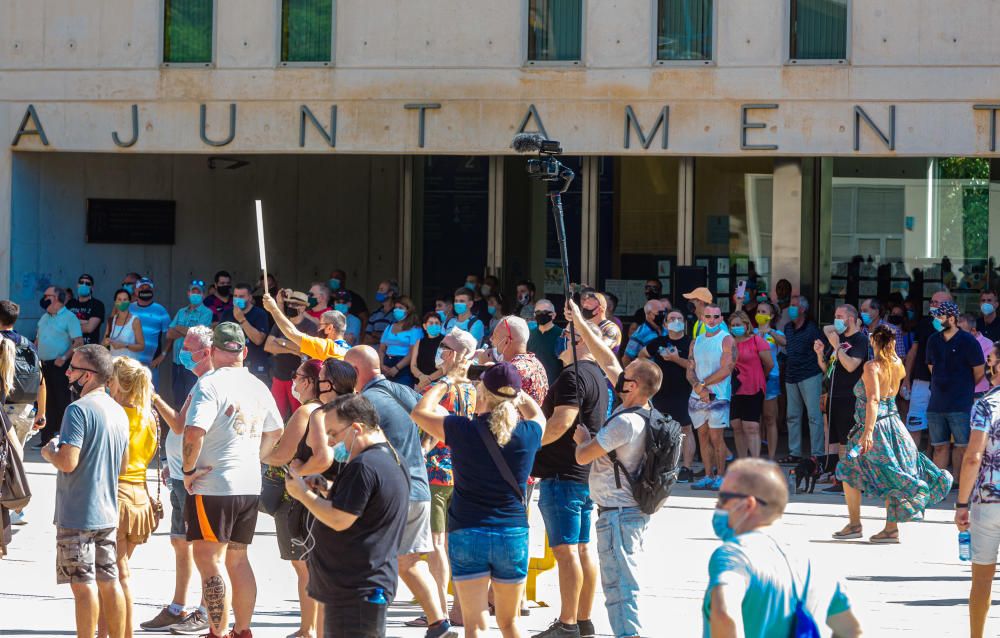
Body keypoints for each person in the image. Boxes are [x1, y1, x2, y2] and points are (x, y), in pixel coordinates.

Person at [412, 363, 547, 638]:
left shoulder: (462, 429)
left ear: (481, 393)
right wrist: (516, 393)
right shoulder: (528, 434)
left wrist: (448, 381)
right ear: (516, 396)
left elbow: (419, 412)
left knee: (474, 625)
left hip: (467, 530)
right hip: (512, 532)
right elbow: (538, 415)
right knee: (510, 624)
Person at [344, 345, 459, 638]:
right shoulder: (400, 390)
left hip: (390, 493)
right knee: (407, 563)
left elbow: (356, 447)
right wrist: (423, 448)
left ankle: (369, 628)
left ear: (355, 371)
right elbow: (441, 414)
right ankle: (439, 624)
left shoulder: (364, 402)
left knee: (373, 560)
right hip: (419, 488)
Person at [566, 299, 661, 638]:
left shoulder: (625, 424)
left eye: (627, 375)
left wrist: (583, 438)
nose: (620, 375)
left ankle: (629, 634)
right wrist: (580, 321)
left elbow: (583, 456)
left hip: (619, 513)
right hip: (627, 510)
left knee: (620, 586)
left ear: (633, 386)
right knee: (620, 581)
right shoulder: (646, 411)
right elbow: (606, 358)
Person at [181, 322, 284, 638]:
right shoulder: (257, 384)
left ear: (212, 351)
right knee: (238, 558)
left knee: (209, 560)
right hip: (248, 484)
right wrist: (257, 457)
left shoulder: (210, 383)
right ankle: (242, 630)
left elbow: (194, 431)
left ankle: (218, 631)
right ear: (245, 350)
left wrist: (187, 471)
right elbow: (276, 429)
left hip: (214, 485)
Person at [284, 394, 412, 638]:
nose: (331, 442)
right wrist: (327, 489)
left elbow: (340, 519)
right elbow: (365, 505)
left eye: (334, 434)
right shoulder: (389, 458)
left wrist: (301, 494)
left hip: (357, 588)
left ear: (356, 428)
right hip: (361, 584)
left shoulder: (364, 465)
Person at [704, 459, 862, 637]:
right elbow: (851, 629)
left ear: (748, 505)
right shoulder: (817, 560)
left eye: (723, 499)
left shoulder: (734, 556)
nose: (718, 507)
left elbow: (723, 613)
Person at [833, 324, 952, 543]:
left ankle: (856, 524)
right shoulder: (898, 364)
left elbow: (874, 400)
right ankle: (888, 528)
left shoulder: (872, 367)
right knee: (892, 473)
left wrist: (867, 432)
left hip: (873, 427)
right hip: (894, 424)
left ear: (872, 341)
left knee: (847, 468)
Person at [40, 344, 129, 638]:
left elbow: (67, 461)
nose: (67, 373)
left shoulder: (77, 410)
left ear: (88, 376)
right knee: (109, 580)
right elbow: (124, 464)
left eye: (73, 368)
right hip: (107, 512)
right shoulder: (118, 411)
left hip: (78, 513)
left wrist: (50, 451)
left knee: (82, 585)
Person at [532, 319, 609, 638]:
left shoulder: (573, 374)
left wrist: (528, 445)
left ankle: (568, 623)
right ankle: (583, 619)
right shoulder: (597, 376)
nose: (560, 340)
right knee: (580, 548)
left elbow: (562, 421)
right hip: (582, 473)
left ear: (579, 341)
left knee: (566, 552)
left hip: (563, 474)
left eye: (565, 335)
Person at [140, 327, 213, 634]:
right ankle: (177, 607)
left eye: (189, 347)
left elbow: (182, 427)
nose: (183, 352)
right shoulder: (199, 383)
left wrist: (153, 395)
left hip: (194, 479)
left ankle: (206, 611)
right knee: (180, 541)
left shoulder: (210, 385)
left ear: (207, 352)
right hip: (181, 475)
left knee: (203, 549)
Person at [410, 328, 478, 629]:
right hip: (462, 471)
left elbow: (419, 421)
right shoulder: (473, 389)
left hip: (436, 472)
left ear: (456, 354)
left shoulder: (441, 388)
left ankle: (437, 609)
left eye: (445, 346)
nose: (441, 351)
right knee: (454, 544)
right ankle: (459, 607)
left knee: (436, 544)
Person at [260, 359, 325, 638]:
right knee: (315, 566)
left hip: (298, 497)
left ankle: (308, 628)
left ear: (308, 382)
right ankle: (315, 627)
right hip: (323, 494)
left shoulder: (306, 412)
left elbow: (282, 455)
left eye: (296, 376)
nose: (293, 382)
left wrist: (259, 454)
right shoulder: (334, 409)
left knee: (304, 567)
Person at [105, 357, 160, 638]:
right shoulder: (149, 415)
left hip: (117, 495)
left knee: (116, 573)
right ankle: (109, 629)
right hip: (140, 495)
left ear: (118, 383)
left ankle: (123, 633)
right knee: (117, 570)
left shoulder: (115, 414)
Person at [955, 341, 1000, 638]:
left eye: (990, 359)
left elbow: (973, 456)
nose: (987, 364)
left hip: (988, 500)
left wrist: (961, 504)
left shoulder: (985, 404)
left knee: (982, 580)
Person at [926, 301, 985, 491]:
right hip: (936, 402)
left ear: (951, 319)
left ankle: (959, 483)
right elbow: (931, 368)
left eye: (939, 317)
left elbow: (979, 371)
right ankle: (939, 486)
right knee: (939, 446)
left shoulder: (969, 341)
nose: (936, 320)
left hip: (960, 403)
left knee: (962, 446)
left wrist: (964, 387)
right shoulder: (933, 340)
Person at [640, 309, 695, 482]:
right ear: (665, 324)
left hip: (683, 391)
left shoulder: (690, 342)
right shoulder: (658, 342)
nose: (676, 321)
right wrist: (650, 371)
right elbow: (642, 355)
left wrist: (675, 359)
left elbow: (693, 366)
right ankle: (662, 466)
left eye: (679, 318)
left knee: (685, 429)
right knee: (660, 429)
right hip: (661, 391)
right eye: (672, 318)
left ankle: (686, 468)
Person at [688, 303, 736, 491]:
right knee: (702, 437)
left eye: (716, 316)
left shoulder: (726, 339)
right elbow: (690, 369)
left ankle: (721, 476)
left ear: (721, 319)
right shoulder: (696, 341)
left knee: (717, 438)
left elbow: (727, 368)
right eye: (708, 316)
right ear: (702, 318)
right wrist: (698, 387)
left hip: (719, 396)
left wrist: (703, 385)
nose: (712, 320)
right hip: (697, 396)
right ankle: (708, 475)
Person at [815, 305, 867, 473]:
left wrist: (837, 347)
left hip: (849, 396)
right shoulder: (838, 339)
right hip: (833, 395)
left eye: (839, 316)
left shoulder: (860, 340)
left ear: (851, 319)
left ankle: (845, 476)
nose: (835, 320)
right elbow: (828, 368)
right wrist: (820, 353)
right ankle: (832, 472)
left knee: (846, 439)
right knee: (833, 439)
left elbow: (851, 365)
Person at [903, 290, 953, 449]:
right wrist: (906, 378)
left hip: (945, 386)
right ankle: (911, 467)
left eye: (937, 303)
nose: (933, 305)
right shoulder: (924, 323)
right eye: (932, 302)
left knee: (938, 431)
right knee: (914, 425)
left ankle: (931, 467)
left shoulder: (956, 325)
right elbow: (913, 351)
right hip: (921, 382)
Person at [35, 285, 83, 446]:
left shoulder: (70, 317)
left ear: (56, 298)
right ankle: (46, 438)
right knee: (45, 401)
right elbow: (38, 339)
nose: (44, 298)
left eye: (47, 295)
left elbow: (78, 342)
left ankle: (65, 439)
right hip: (43, 365)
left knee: (62, 401)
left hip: (60, 366)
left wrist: (64, 357)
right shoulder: (44, 317)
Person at [781, 295, 825, 463]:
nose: (790, 309)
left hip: (810, 375)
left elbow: (822, 350)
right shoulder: (787, 328)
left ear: (803, 309)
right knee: (792, 416)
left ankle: (817, 454)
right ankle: (795, 452)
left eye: (793, 306)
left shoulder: (813, 329)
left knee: (814, 416)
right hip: (791, 376)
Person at [1, 300, 47, 452]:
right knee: (16, 460)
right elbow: (41, 381)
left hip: (3, 410)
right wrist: (41, 414)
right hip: (25, 411)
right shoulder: (28, 344)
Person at [729, 310, 773, 459]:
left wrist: (760, 376)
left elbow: (769, 364)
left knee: (751, 426)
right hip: (735, 388)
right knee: (736, 425)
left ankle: (754, 463)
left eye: (738, 324)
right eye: (733, 325)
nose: (735, 327)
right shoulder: (728, 342)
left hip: (754, 387)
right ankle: (742, 462)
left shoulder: (757, 341)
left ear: (746, 325)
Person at [262, 290, 350, 363]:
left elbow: (292, 332)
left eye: (321, 325)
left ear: (329, 328)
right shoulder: (350, 351)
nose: (318, 328)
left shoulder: (325, 347)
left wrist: (273, 309)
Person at [165, 280, 213, 406]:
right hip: (177, 363)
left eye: (199, 292)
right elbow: (169, 334)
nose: (195, 294)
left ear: (203, 295)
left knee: (192, 399)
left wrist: (179, 328)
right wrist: (188, 331)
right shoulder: (181, 312)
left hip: (194, 363)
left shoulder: (207, 313)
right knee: (178, 398)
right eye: (193, 291)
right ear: (188, 293)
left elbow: (199, 335)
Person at [493, 315, 550, 405]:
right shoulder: (536, 363)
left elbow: (492, 406)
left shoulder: (511, 370)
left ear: (506, 341)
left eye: (494, 336)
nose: (491, 339)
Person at [220, 283, 271, 383]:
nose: (237, 299)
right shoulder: (227, 313)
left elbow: (258, 340)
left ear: (250, 297)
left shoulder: (260, 314)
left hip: (256, 367)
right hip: (232, 367)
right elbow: (220, 338)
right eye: (235, 296)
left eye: (242, 296)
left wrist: (241, 319)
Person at [754, 303, 784, 461]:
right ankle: (757, 456)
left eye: (763, 312)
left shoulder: (776, 333)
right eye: (758, 311)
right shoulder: (751, 332)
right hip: (753, 378)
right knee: (755, 420)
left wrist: (769, 331)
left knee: (770, 418)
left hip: (771, 377)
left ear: (771, 316)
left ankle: (771, 457)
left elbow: (784, 343)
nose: (759, 314)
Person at [131, 278, 171, 386]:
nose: (145, 290)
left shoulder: (160, 310)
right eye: (142, 287)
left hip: (151, 365)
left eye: (148, 288)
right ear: (135, 291)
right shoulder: (129, 308)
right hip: (130, 364)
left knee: (151, 398)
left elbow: (170, 336)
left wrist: (162, 356)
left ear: (153, 291)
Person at [379, 296, 423, 387]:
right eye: (395, 308)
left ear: (408, 310)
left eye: (400, 308)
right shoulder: (389, 327)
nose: (397, 310)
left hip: (404, 367)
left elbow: (412, 352)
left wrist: (397, 368)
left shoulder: (415, 329)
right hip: (386, 364)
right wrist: (382, 365)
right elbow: (382, 349)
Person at [103, 289, 145, 361]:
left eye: (125, 299)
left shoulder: (135, 321)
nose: (122, 302)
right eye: (119, 299)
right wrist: (106, 342)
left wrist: (124, 345)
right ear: (115, 302)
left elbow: (141, 346)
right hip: (113, 365)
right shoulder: (111, 320)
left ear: (129, 302)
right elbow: (103, 343)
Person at [527, 300, 562, 384]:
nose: (541, 314)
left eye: (545, 312)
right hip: (534, 384)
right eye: (538, 312)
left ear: (553, 315)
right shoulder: (529, 335)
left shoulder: (561, 335)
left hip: (555, 385)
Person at [960, 312, 994, 397]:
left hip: (977, 392)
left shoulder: (988, 344)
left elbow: (980, 371)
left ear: (973, 331)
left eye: (960, 331)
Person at [67, 273, 105, 345]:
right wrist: (86, 321)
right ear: (77, 285)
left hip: (88, 350)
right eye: (81, 282)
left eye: (87, 283)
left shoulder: (97, 305)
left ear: (92, 288)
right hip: (69, 350)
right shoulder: (70, 304)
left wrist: (71, 325)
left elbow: (89, 328)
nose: (84, 285)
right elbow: (62, 324)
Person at [622, 299, 664, 365]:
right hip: (648, 372)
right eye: (659, 312)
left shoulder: (666, 329)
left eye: (664, 312)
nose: (663, 315)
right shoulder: (640, 333)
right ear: (649, 314)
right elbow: (627, 358)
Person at [412, 312, 446, 391]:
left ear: (440, 325)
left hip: (438, 384)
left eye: (437, 323)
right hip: (419, 383)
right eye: (431, 323)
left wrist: (428, 380)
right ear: (424, 326)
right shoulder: (419, 342)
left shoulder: (445, 342)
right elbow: (413, 365)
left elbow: (445, 367)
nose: (434, 325)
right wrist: (421, 377)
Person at [366, 280, 400, 344]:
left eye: (381, 290)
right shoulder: (374, 314)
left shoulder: (398, 314)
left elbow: (396, 339)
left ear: (390, 293)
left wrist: (376, 335)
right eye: (378, 289)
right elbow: (367, 338)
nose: (378, 292)